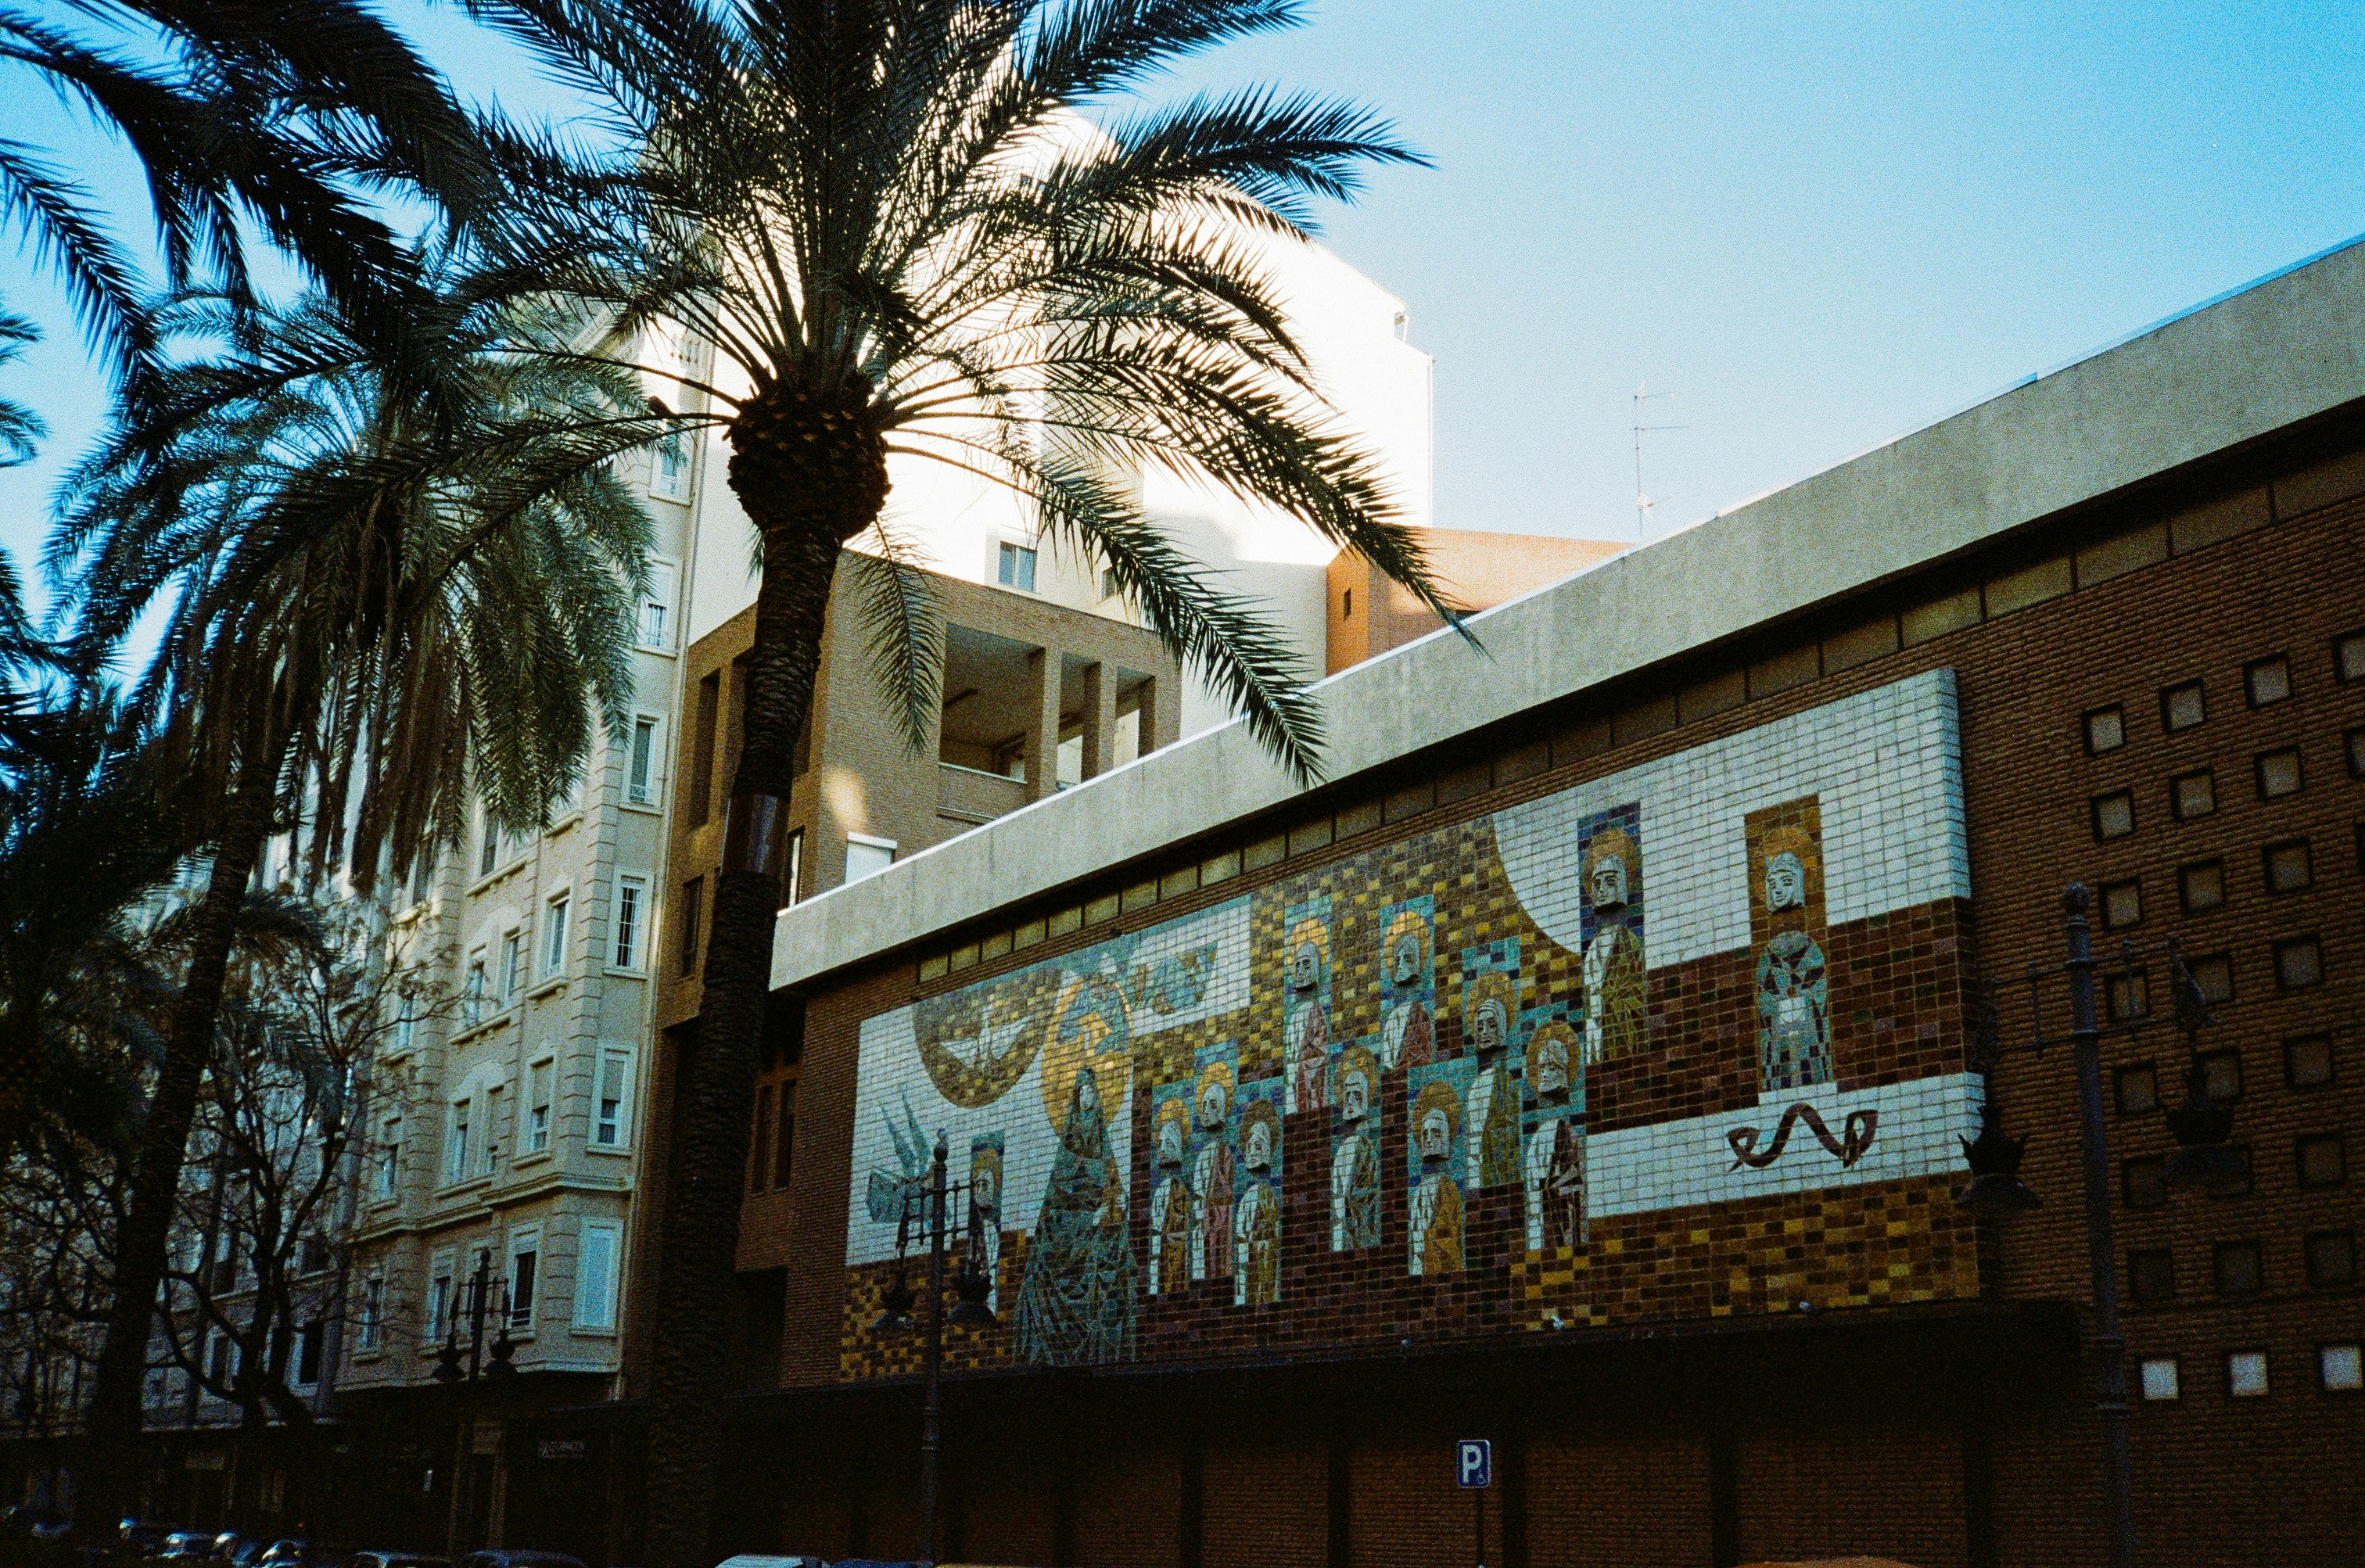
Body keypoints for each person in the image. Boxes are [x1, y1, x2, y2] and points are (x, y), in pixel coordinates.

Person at [1014, 1067, 1136, 1365]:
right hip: (1064, 1238)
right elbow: (1053, 1202)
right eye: (1081, 1092)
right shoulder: (1065, 1151)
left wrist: (1112, 1209)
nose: (1086, 1097)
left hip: (1089, 1239)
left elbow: (1112, 1195)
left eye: (1091, 1091)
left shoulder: (1103, 1148)